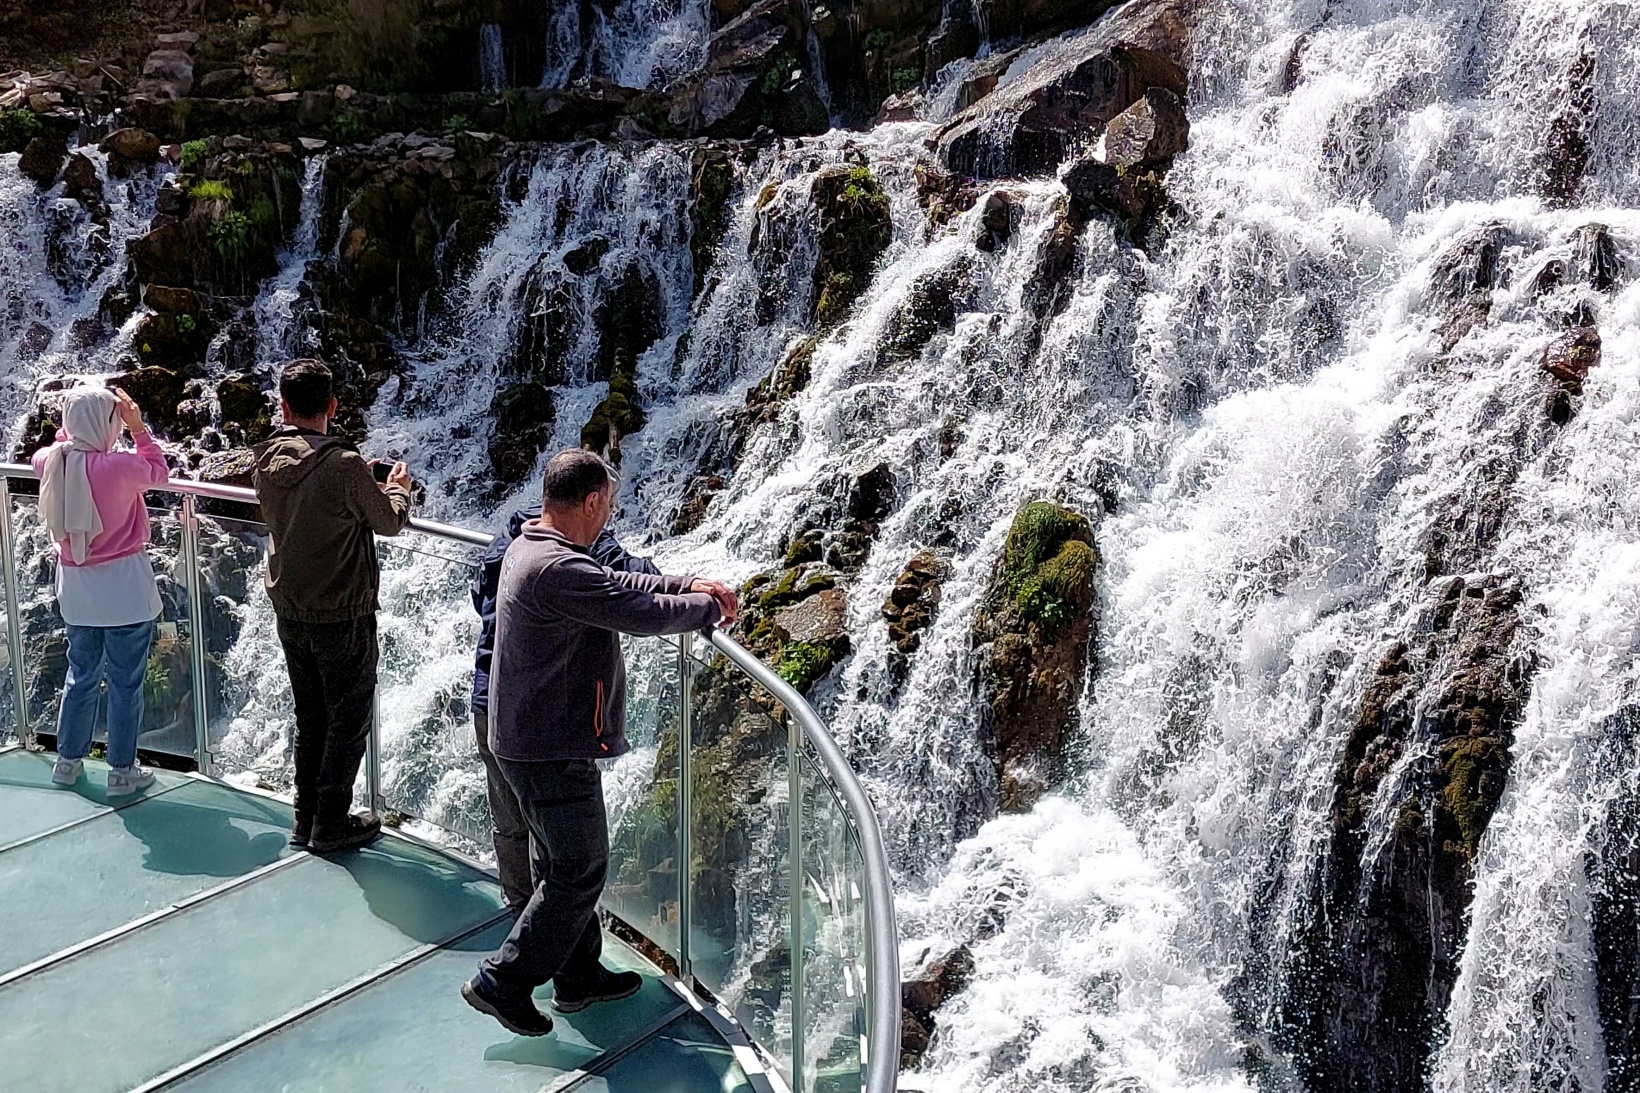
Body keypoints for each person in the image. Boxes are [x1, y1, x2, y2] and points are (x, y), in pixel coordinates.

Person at [462, 450, 738, 1037]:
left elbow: (617, 582)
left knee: (556, 862)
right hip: (548, 745)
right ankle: (501, 981)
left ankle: (578, 976)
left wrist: (688, 583)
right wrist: (707, 607)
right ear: (591, 502)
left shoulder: (528, 545)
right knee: (580, 869)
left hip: (523, 735)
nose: (608, 517)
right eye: (607, 506)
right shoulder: (557, 569)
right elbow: (636, 609)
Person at [252, 359, 412, 854]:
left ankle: (305, 815)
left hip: (290, 607)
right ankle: (332, 821)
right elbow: (386, 521)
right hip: (341, 611)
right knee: (348, 717)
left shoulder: (265, 458)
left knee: (311, 714)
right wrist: (397, 490)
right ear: (332, 406)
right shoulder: (343, 466)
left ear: (283, 405)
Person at [470, 503, 661, 914]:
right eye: (607, 505)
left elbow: (479, 598)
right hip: (537, 723)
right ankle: (534, 951)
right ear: (588, 504)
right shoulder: (576, 547)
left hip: (488, 700)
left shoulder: (514, 536)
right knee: (560, 856)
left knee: (510, 822)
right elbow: (637, 582)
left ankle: (519, 910)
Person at [36, 386, 168, 796]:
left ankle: (67, 761)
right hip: (124, 586)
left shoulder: (50, 461)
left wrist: (76, 424)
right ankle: (121, 772)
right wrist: (138, 427)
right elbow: (159, 472)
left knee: (81, 675)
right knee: (125, 682)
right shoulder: (121, 467)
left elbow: (62, 441)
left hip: (75, 588)